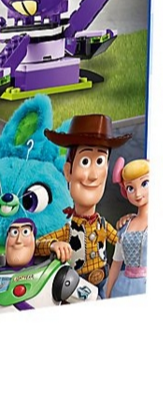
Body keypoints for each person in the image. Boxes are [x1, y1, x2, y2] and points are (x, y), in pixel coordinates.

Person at [35, 114, 131, 298]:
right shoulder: (68, 229)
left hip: (104, 282)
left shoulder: (103, 225)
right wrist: (54, 245)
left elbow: (122, 240)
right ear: (68, 171)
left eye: (100, 162)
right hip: (76, 289)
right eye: (85, 161)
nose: (93, 176)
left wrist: (132, 222)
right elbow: (37, 245)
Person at [0, 218, 96, 319]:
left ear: (34, 242)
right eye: (14, 233)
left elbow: (95, 303)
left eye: (25, 232)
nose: (18, 240)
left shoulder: (56, 276)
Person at [106, 159, 149, 298]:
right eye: (131, 188)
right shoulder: (125, 225)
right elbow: (116, 262)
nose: (138, 194)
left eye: (145, 184)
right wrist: (107, 293)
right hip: (122, 287)